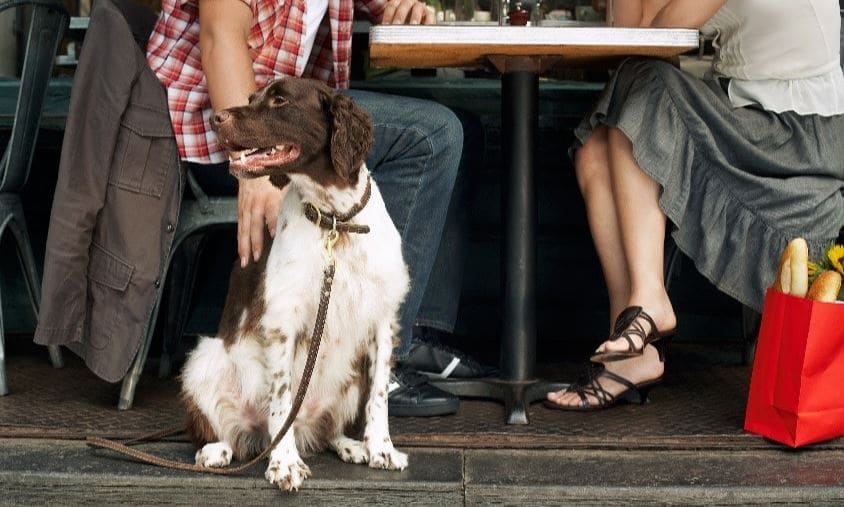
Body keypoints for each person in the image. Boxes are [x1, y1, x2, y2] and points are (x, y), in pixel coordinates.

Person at [146, 0, 479, 416]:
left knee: (463, 126)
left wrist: (402, 7)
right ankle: (379, 366)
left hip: (290, 123)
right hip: (216, 126)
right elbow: (220, 36)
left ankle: (412, 335)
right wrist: (255, 164)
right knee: (433, 136)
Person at [546, 0, 844, 410]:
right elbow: (631, 33)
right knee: (595, 152)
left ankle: (650, 301)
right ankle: (633, 345)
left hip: (796, 132)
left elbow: (655, 36)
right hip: (744, 110)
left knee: (644, 83)